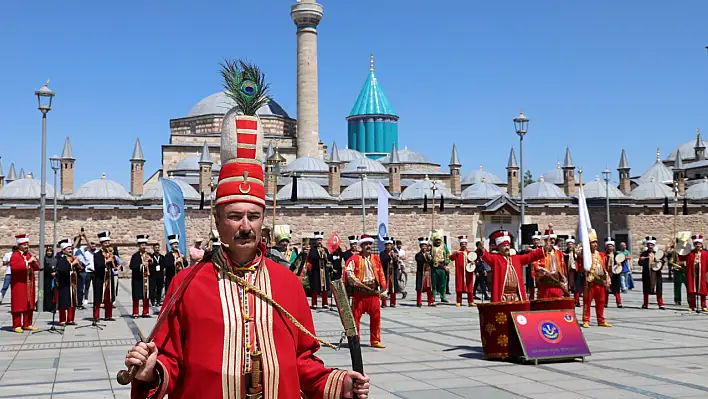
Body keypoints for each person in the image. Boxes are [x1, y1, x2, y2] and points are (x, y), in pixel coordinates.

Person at [125, 115, 370, 397]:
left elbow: (302, 361)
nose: (245, 226)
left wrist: (341, 384)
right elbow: (169, 359)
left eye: (253, 216)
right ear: (216, 220)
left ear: (263, 219)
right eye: (234, 216)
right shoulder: (186, 284)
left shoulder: (287, 283)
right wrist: (150, 372)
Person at [476, 231, 548, 302]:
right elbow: (486, 256)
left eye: (508, 245)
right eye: (504, 246)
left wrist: (543, 249)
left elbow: (530, 256)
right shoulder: (495, 259)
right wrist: (482, 248)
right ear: (499, 247)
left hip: (516, 296)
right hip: (502, 296)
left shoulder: (516, 258)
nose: (507, 247)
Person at [345, 234, 387, 348]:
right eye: (365, 244)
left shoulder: (376, 259)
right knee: (355, 317)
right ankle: (355, 340)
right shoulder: (354, 258)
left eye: (369, 244)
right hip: (360, 293)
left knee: (376, 317)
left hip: (373, 292)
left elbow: (381, 273)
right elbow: (348, 271)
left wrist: (383, 289)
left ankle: (375, 340)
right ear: (361, 246)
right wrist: (355, 281)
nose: (368, 246)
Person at [578, 230, 612, 328]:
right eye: (593, 242)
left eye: (596, 242)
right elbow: (580, 266)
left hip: (600, 281)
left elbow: (605, 267)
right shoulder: (586, 256)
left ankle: (601, 320)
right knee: (587, 302)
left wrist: (607, 278)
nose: (595, 244)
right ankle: (586, 320)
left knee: (601, 302)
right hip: (590, 282)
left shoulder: (601, 255)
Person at [9, 234, 39, 332]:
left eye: (27, 244)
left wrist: (35, 260)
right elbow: (15, 268)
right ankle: (16, 325)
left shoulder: (28, 255)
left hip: (29, 284)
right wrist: (28, 262)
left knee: (29, 304)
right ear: (19, 245)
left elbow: (37, 267)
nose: (26, 246)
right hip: (19, 284)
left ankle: (27, 323)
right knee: (19, 304)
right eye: (24, 245)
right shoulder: (15, 255)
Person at [534, 229, 568, 299]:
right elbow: (536, 268)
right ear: (545, 241)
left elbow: (563, 269)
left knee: (557, 307)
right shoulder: (539, 253)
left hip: (557, 286)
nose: (553, 241)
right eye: (551, 239)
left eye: (554, 239)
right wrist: (544, 271)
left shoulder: (559, 253)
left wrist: (565, 282)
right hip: (545, 286)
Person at [92, 231, 116, 321]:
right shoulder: (97, 254)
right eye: (105, 243)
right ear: (101, 244)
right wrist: (106, 261)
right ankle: (96, 315)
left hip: (109, 278)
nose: (107, 244)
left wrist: (113, 259)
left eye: (108, 242)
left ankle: (108, 315)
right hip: (100, 278)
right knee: (98, 297)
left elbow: (115, 265)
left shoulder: (111, 253)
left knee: (109, 297)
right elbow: (97, 266)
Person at [681, 234, 708, 312]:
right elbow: (681, 257)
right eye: (696, 244)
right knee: (692, 291)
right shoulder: (690, 253)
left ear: (701, 244)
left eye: (699, 244)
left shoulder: (705, 253)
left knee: (703, 290)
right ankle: (692, 305)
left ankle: (704, 306)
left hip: (702, 274)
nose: (697, 245)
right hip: (692, 274)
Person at [56, 238, 78, 326]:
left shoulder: (72, 258)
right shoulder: (61, 258)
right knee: (64, 302)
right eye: (68, 249)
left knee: (72, 301)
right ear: (63, 250)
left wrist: (78, 265)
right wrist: (73, 264)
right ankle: (62, 320)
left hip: (72, 283)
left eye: (71, 249)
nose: (70, 250)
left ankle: (70, 319)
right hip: (64, 283)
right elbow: (62, 269)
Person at [638, 236, 665, 310]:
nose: (650, 246)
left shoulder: (657, 253)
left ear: (654, 245)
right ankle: (645, 304)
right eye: (649, 245)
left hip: (656, 274)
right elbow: (640, 263)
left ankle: (661, 304)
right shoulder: (643, 254)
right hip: (647, 273)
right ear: (647, 245)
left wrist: (660, 262)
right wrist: (641, 260)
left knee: (658, 289)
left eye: (651, 245)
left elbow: (662, 261)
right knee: (646, 289)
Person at [130, 235, 153, 318]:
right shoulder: (135, 256)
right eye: (142, 245)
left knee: (146, 295)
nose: (144, 246)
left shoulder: (149, 255)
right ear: (139, 246)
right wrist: (141, 265)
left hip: (146, 278)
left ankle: (145, 312)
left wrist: (150, 262)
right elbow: (132, 266)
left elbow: (153, 266)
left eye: (145, 245)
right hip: (138, 279)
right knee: (136, 296)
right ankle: (135, 312)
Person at [449, 235, 475, 307]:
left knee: (469, 287)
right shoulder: (457, 253)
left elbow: (473, 260)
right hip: (460, 273)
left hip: (468, 272)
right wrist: (454, 253)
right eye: (462, 244)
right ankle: (458, 301)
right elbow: (451, 258)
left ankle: (471, 301)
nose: (464, 245)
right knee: (459, 287)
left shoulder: (470, 252)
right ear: (460, 245)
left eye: (465, 244)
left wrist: (473, 262)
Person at [307, 232, 331, 309]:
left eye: (320, 240)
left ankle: (325, 303)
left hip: (324, 271)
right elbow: (310, 258)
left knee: (325, 287)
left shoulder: (325, 249)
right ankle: (314, 303)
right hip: (316, 270)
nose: (319, 241)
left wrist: (325, 255)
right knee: (315, 287)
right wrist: (319, 256)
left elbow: (329, 259)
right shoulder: (312, 249)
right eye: (318, 240)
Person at [379, 237, 399, 308]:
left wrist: (395, 258)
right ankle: (384, 303)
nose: (388, 246)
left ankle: (393, 302)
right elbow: (383, 261)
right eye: (387, 245)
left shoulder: (395, 253)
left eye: (390, 245)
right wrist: (389, 256)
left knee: (392, 288)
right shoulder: (382, 253)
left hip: (392, 273)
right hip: (385, 273)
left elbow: (396, 265)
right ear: (385, 246)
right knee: (384, 288)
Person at [77, 238, 97, 308]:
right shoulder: (86, 253)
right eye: (92, 246)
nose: (94, 247)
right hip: (88, 271)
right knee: (86, 286)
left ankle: (96, 299)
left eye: (95, 246)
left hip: (95, 272)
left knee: (95, 286)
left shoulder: (97, 253)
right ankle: (86, 298)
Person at [414, 237, 434, 307]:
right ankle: (419, 302)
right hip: (421, 273)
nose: (424, 247)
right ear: (420, 247)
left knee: (429, 287)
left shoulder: (429, 254)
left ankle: (430, 301)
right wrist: (426, 256)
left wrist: (430, 257)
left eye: (425, 246)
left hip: (428, 273)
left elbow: (432, 262)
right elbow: (420, 262)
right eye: (423, 246)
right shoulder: (418, 255)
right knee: (419, 288)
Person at [430, 234, 450, 303]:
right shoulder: (432, 247)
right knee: (434, 283)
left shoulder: (444, 247)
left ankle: (443, 296)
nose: (438, 241)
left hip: (442, 266)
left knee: (443, 283)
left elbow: (448, 255)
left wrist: (447, 262)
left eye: (439, 240)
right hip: (434, 267)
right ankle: (433, 296)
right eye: (437, 240)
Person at [604, 238, 623, 308]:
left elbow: (622, 262)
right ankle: (605, 303)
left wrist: (619, 264)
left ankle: (619, 303)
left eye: (611, 246)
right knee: (606, 289)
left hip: (615, 274)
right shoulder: (604, 255)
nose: (610, 247)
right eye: (608, 246)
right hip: (607, 274)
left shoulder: (617, 255)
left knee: (617, 289)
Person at [565, 236, 583, 306]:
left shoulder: (577, 253)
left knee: (577, 287)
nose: (570, 245)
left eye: (571, 244)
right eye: (569, 244)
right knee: (567, 287)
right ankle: (567, 301)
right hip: (567, 272)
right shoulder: (565, 253)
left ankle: (576, 301)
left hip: (576, 271)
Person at [526, 231, 543, 300]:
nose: (536, 242)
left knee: (541, 287)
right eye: (535, 240)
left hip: (540, 271)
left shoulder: (542, 249)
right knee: (531, 288)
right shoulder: (528, 249)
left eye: (537, 240)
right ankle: (531, 301)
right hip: (531, 271)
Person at [150, 243, 165, 307]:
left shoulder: (162, 257)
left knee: (159, 288)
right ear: (153, 249)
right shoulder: (151, 257)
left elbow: (164, 265)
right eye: (156, 247)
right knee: (153, 288)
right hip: (153, 274)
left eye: (158, 247)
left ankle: (158, 301)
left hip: (160, 275)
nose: (157, 249)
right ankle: (152, 301)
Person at [42, 246, 57, 312]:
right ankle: (46, 306)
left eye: (50, 251)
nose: (49, 252)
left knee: (53, 292)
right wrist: (51, 271)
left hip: (53, 277)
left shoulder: (55, 259)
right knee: (45, 292)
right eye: (48, 251)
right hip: (46, 277)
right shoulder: (44, 259)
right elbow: (44, 267)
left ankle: (52, 306)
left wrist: (55, 272)